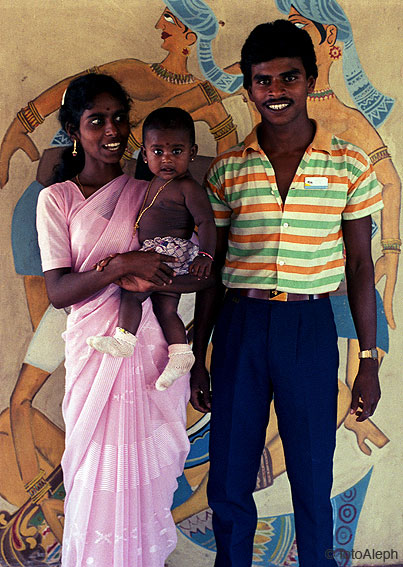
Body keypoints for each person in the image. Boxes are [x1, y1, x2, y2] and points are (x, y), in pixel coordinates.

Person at [190, 19, 382, 567]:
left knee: (311, 470)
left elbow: (363, 268)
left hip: (310, 329)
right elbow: (213, 268)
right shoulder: (228, 171)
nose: (276, 92)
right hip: (240, 327)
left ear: (310, 80)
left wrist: (366, 361)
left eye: (288, 78)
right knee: (229, 475)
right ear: (249, 88)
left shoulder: (349, 164)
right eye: (263, 81)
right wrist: (201, 356)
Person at [36, 73, 212, 567]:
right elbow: (57, 291)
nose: (112, 129)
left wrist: (162, 280)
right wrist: (120, 267)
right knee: (96, 472)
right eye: (97, 120)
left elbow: (192, 265)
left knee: (148, 479)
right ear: (75, 129)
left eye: (119, 118)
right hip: (97, 349)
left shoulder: (153, 189)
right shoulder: (59, 199)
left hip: (152, 351)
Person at [87, 107, 216, 392]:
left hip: (170, 253)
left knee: (133, 293)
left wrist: (206, 255)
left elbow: (206, 221)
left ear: (192, 153)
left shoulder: (187, 187)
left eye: (177, 151)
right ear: (144, 155)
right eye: (158, 152)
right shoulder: (151, 184)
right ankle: (181, 353)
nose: (167, 158)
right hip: (155, 251)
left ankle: (124, 339)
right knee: (165, 308)